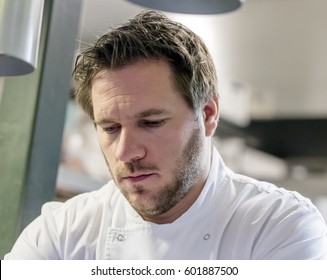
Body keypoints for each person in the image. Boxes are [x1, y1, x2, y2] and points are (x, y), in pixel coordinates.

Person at [5, 10, 327, 260]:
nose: (126, 152)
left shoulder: (280, 226)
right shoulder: (63, 231)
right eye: (110, 128)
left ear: (208, 115)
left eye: (152, 122)